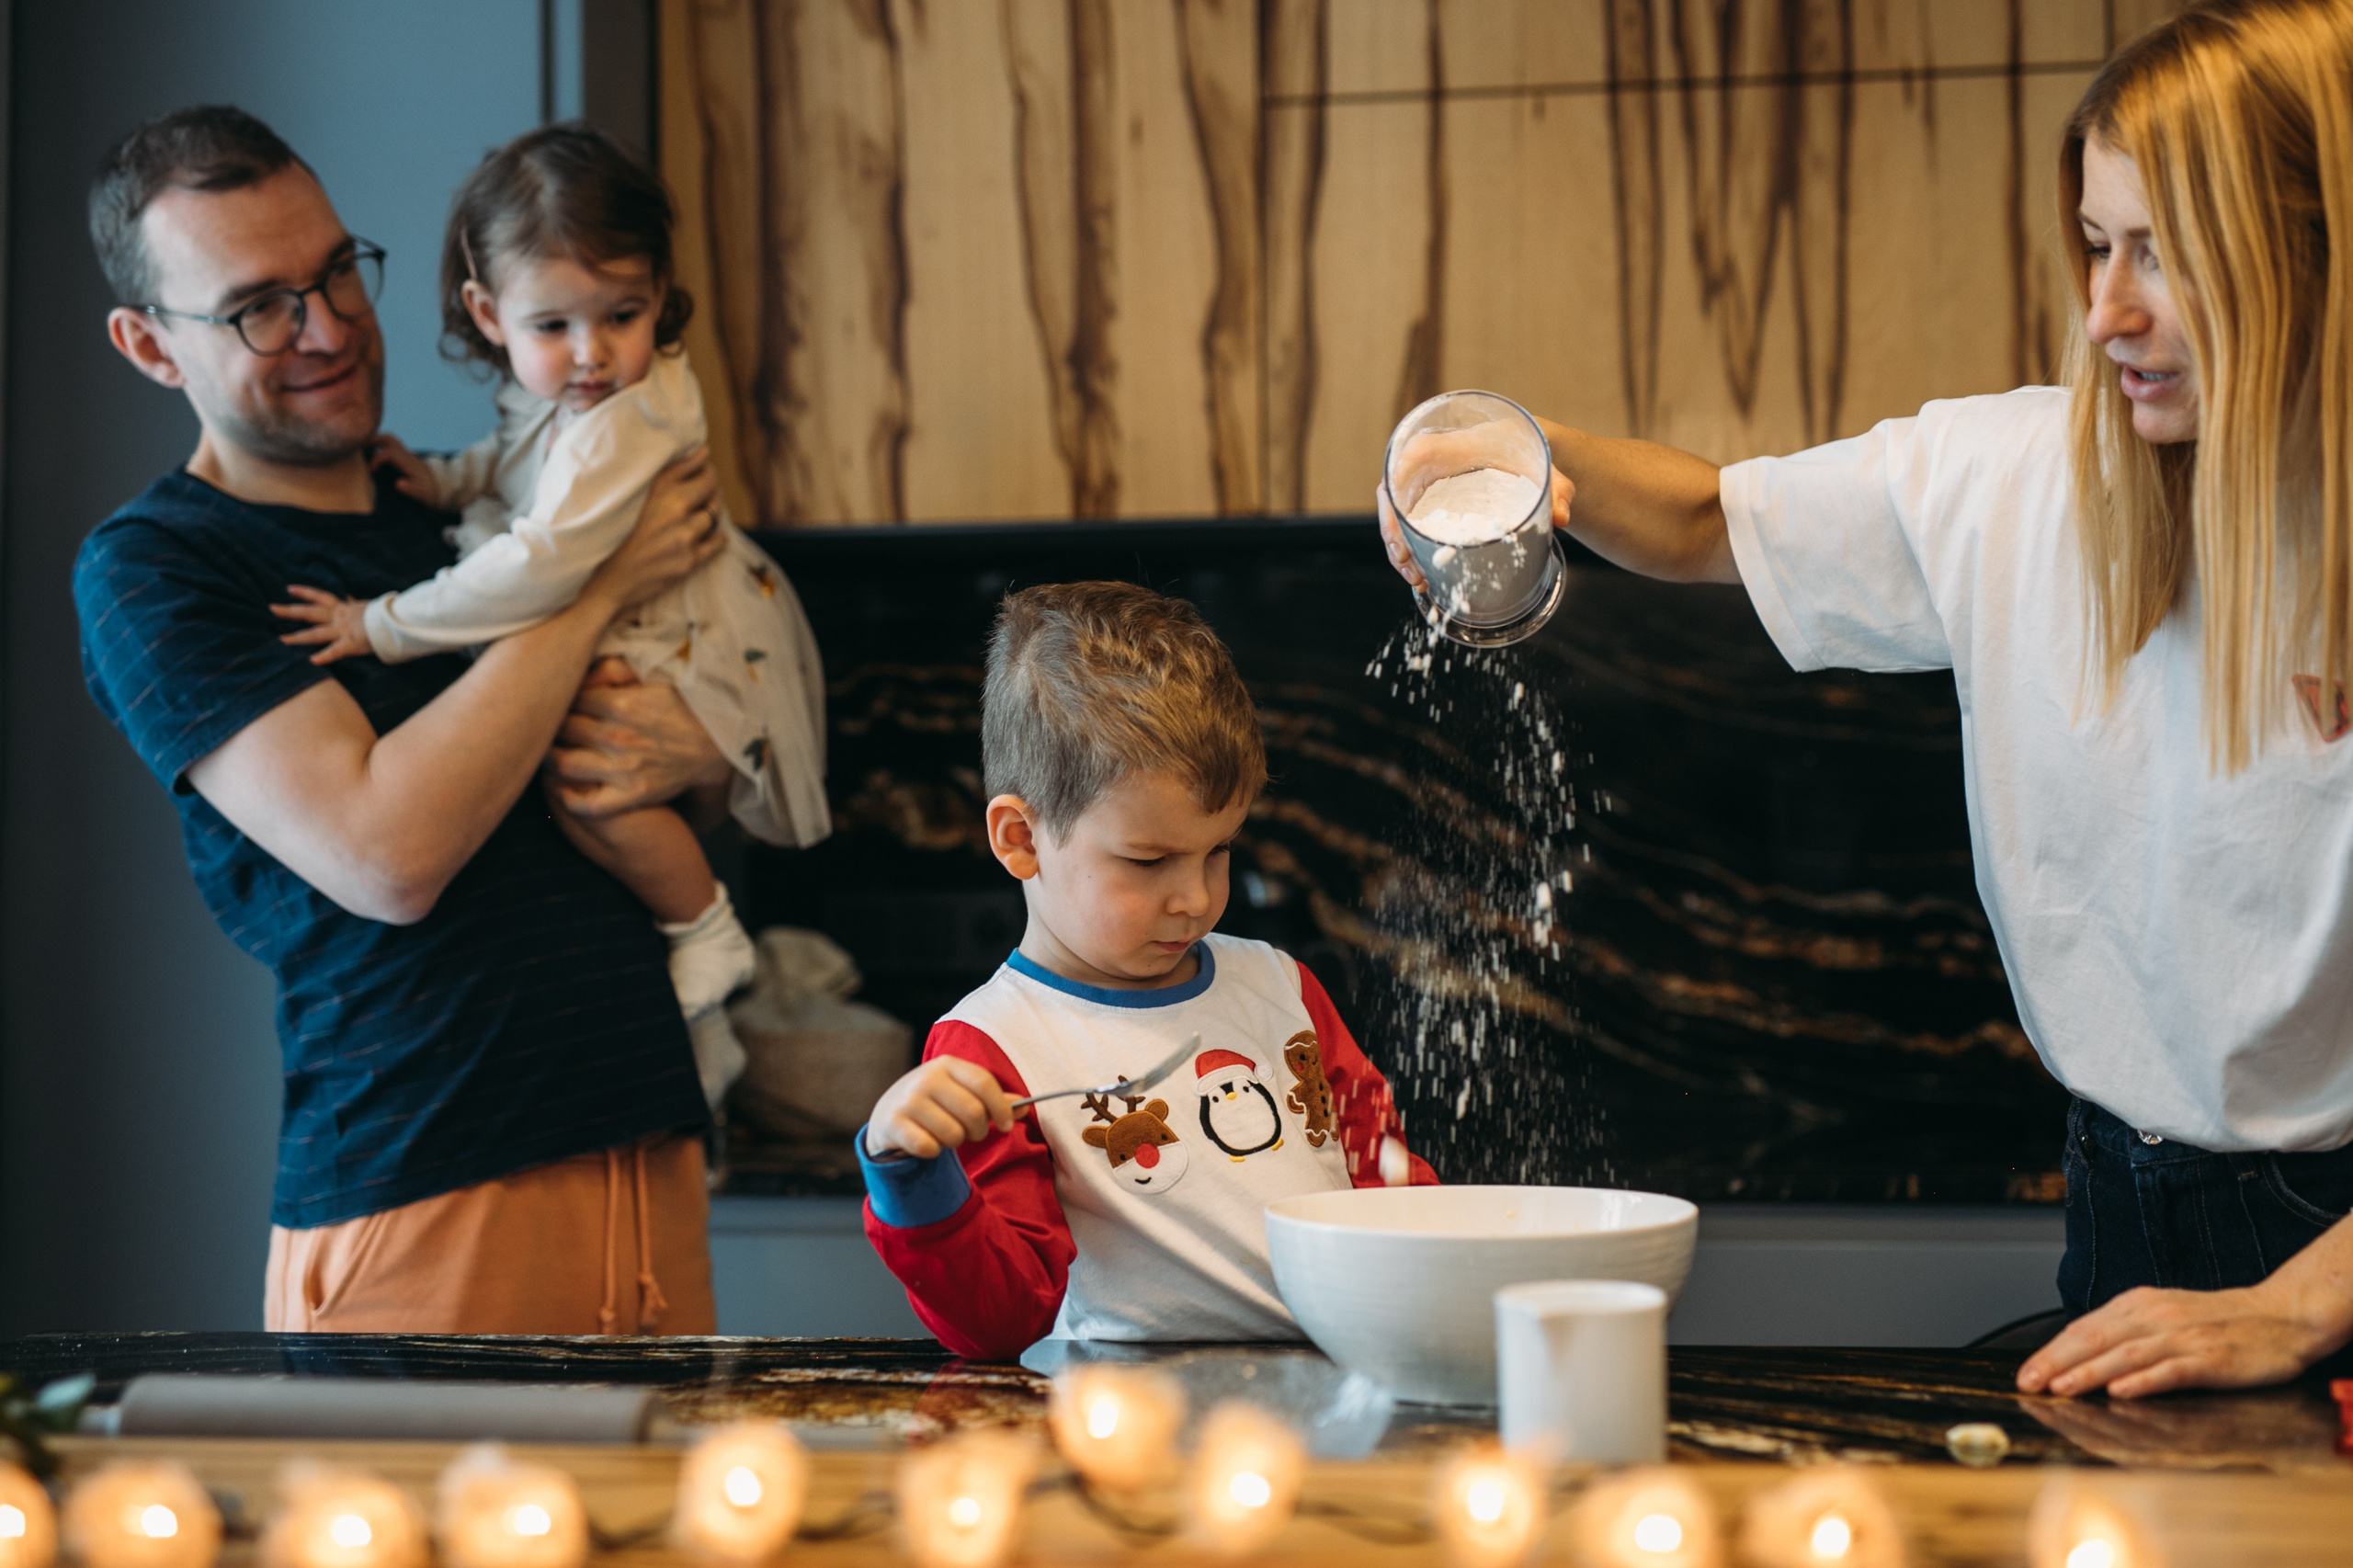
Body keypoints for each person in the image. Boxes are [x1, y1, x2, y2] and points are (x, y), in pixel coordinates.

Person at [1381, 0, 2353, 1399]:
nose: (2107, 311)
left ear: (2311, 247)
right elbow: (1714, 519)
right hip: (2122, 1213)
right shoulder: (2014, 482)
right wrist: (1491, 449)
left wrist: (2305, 1306)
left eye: (2166, 255)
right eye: (2095, 242)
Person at [75, 105, 736, 1334]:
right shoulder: (160, 566)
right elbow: (388, 853)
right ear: (150, 345)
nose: (327, 326)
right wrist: (594, 584)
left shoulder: (470, 513)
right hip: (431, 1187)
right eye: (259, 304)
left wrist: (694, 754)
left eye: (337, 270)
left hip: (647, 1151)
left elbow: (660, 784)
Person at [272, 125, 829, 1110]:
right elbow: (519, 455)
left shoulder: (627, 416)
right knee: (589, 773)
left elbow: (535, 563)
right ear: (489, 313)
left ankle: (705, 925)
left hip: (679, 631)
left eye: (624, 313)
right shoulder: (567, 397)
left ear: (659, 290)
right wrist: (446, 477)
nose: (592, 356)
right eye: (555, 327)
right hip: (650, 618)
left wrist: (381, 624)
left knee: (590, 790)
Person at [855, 583, 1437, 1360]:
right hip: (1133, 1427)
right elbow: (1000, 1322)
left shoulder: (1280, 986)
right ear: (1021, 837)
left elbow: (1385, 1174)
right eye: (1149, 860)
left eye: (1220, 849)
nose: (1196, 898)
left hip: (1344, 1382)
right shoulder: (994, 1046)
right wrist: (913, 1180)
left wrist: (1441, 1270)